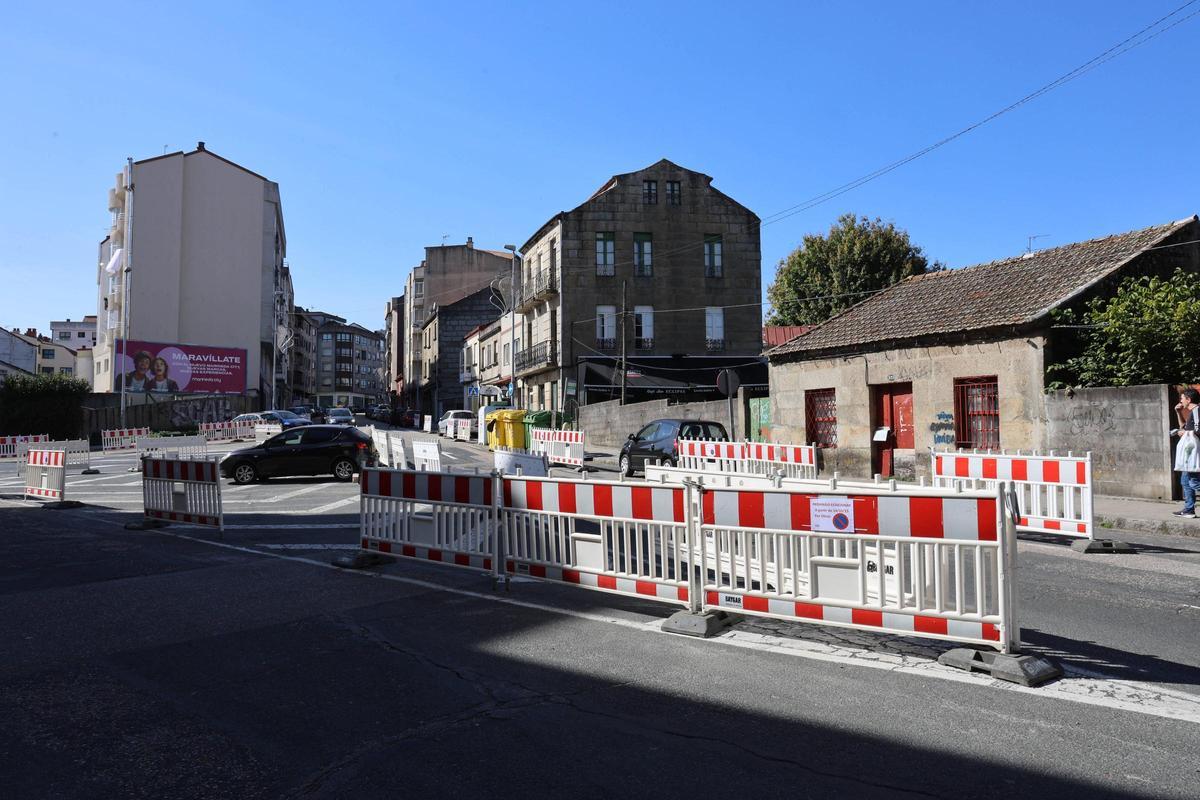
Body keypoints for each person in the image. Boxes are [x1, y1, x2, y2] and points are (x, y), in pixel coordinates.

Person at [1172, 387, 1200, 518]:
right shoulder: (1192, 412)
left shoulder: (1197, 411)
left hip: (1196, 453)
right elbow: (1183, 427)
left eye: (1182, 398)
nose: (1180, 401)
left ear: (1188, 399)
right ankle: (1189, 509)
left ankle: (1189, 509)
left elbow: (1198, 431)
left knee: (1194, 482)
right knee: (1185, 481)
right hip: (1190, 454)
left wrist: (1185, 433)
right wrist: (1178, 412)